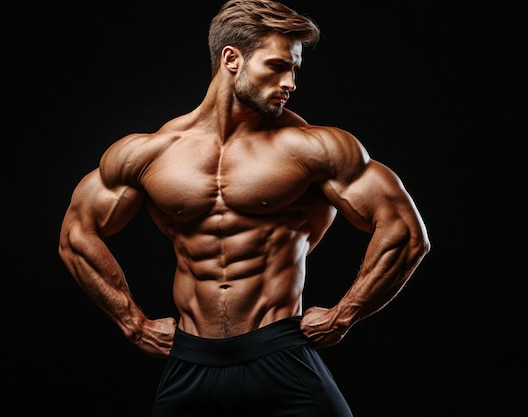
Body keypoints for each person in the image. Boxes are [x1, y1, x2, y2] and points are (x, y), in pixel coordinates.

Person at [58, 0, 431, 416]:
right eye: (276, 66)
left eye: (294, 69)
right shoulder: (151, 152)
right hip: (189, 363)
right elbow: (76, 236)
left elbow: (405, 233)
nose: (290, 82)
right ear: (231, 59)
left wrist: (344, 315)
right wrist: (133, 322)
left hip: (279, 355)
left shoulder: (313, 147)